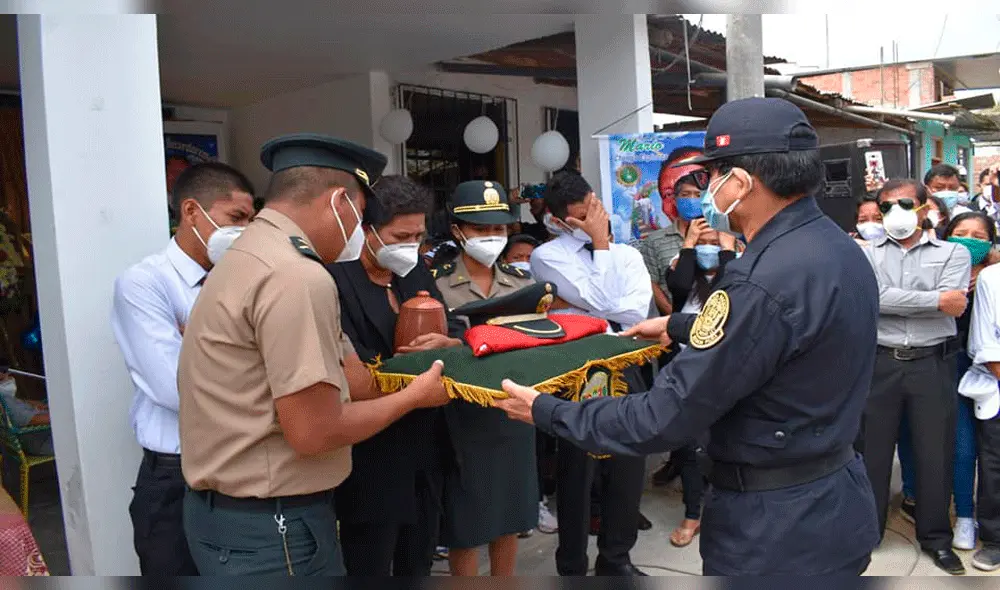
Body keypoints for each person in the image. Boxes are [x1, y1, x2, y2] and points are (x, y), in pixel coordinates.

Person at [499, 97, 882, 576]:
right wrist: (679, 324)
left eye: (711, 175)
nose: (705, 189)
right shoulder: (838, 249)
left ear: (741, 183)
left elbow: (662, 419)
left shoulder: (757, 279)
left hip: (773, 529)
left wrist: (546, 410)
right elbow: (788, 338)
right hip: (836, 500)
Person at [176, 133, 450, 576]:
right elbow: (313, 432)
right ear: (340, 200)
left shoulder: (251, 253)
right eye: (360, 216)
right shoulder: (296, 277)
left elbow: (355, 380)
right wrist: (414, 397)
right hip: (273, 526)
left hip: (234, 518)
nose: (358, 234)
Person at [110, 162, 255, 575]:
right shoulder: (144, 283)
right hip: (176, 477)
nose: (245, 232)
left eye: (250, 220)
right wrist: (245, 350)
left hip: (240, 469)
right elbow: (178, 390)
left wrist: (201, 342)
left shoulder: (243, 281)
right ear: (192, 211)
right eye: (236, 219)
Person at [325, 175, 465, 576]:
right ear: (367, 232)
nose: (410, 247)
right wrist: (416, 373)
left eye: (418, 237)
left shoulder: (414, 274)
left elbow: (452, 329)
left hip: (426, 445)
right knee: (368, 560)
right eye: (400, 236)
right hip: (373, 452)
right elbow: (356, 366)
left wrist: (447, 345)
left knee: (417, 561)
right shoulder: (335, 282)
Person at [529, 170, 653, 576]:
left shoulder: (629, 255)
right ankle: (572, 562)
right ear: (563, 220)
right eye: (585, 215)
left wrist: (594, 301)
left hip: (624, 360)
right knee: (577, 468)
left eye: (596, 208)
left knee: (627, 463)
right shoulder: (548, 256)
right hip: (576, 366)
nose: (597, 218)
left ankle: (617, 558)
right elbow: (602, 301)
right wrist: (599, 244)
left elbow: (633, 314)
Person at [859, 178, 971, 575]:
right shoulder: (868, 253)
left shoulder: (953, 252)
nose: (894, 213)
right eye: (885, 206)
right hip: (880, 363)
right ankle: (866, 534)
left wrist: (927, 303)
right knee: (871, 453)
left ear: (925, 208)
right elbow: (872, 298)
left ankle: (936, 539)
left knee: (933, 454)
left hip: (931, 364)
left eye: (904, 204)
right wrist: (933, 300)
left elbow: (954, 305)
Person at [432, 180, 538, 576]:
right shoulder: (436, 281)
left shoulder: (521, 281)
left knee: (510, 514)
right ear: (458, 230)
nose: (492, 237)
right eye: (481, 230)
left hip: (512, 409)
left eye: (498, 229)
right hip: (462, 414)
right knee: (467, 524)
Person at [658, 218, 737, 548]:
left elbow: (731, 291)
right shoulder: (682, 268)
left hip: (727, 368)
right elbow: (677, 287)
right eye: (701, 240)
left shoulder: (739, 270)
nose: (709, 246)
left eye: (713, 240)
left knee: (730, 443)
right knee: (691, 446)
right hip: (687, 368)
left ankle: (729, 512)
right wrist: (689, 245)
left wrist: (729, 253)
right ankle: (693, 513)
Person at [632, 147, 706, 317]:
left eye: (697, 194)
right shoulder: (655, 241)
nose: (692, 199)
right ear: (674, 199)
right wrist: (673, 315)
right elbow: (651, 283)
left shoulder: (716, 235)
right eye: (686, 194)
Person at [963, 254, 1000, 571]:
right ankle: (995, 539)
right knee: (994, 467)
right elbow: (985, 342)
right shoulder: (992, 278)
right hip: (999, 385)